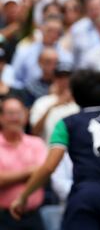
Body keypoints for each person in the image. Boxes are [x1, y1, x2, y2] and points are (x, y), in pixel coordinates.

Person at [10, 69, 100, 230]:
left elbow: (49, 166)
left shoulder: (66, 124)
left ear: (75, 96)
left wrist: (23, 196)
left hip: (85, 198)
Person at [0, 96, 48, 230]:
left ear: (26, 116)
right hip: (3, 218)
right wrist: (30, 172)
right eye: (10, 113)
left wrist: (9, 177)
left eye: (19, 113)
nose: (15, 118)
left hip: (33, 217)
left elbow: (44, 174)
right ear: (1, 117)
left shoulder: (36, 143)